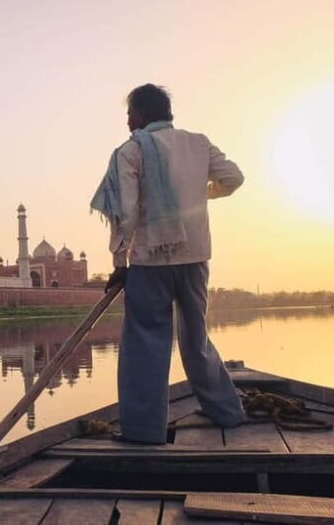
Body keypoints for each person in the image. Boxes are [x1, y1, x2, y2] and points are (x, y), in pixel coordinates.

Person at [91, 83, 245, 444]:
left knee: (146, 344)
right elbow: (234, 178)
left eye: (130, 113)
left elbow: (124, 214)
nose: (128, 121)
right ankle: (226, 412)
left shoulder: (131, 151)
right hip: (195, 258)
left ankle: (144, 432)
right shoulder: (198, 143)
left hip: (149, 262)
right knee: (196, 338)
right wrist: (201, 194)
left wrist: (119, 262)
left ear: (142, 115)